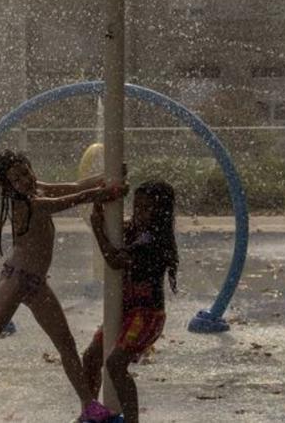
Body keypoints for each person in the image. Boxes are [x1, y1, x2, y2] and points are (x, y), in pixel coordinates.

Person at [0, 150, 125, 422]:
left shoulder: (37, 189)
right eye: (16, 178)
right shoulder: (26, 204)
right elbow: (73, 199)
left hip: (36, 284)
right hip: (16, 280)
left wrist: (108, 176)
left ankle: (87, 405)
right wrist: (99, 193)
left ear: (31, 169)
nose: (23, 180)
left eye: (25, 172)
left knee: (66, 343)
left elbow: (75, 187)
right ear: (7, 185)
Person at [80, 180, 179, 423]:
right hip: (122, 312)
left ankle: (132, 420)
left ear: (162, 212)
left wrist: (97, 230)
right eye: (137, 207)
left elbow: (114, 260)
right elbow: (107, 224)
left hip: (146, 316)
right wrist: (100, 200)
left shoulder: (154, 241)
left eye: (148, 209)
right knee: (91, 357)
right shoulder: (133, 230)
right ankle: (91, 413)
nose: (140, 213)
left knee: (115, 364)